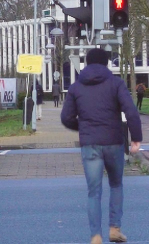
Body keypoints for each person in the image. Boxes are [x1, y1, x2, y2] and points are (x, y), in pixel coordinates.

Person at [60, 48, 142, 244]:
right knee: (116, 184)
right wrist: (136, 138)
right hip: (113, 141)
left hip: (90, 144)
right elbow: (131, 111)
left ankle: (96, 236)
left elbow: (66, 117)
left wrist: (83, 128)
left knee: (93, 191)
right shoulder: (116, 83)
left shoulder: (76, 87)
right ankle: (114, 228)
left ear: (87, 63)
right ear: (106, 63)